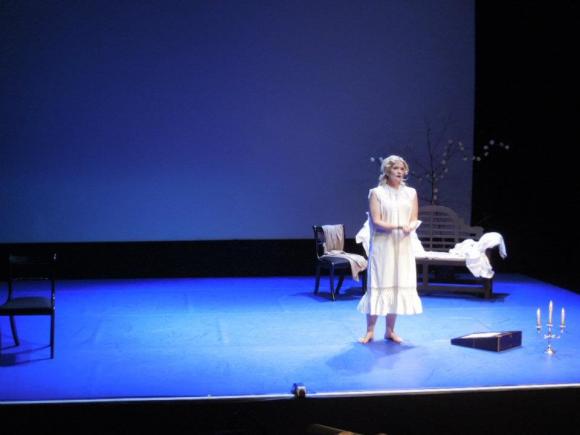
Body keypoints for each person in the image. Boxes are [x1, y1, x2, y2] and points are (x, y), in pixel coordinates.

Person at [357, 155, 423, 344]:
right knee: (379, 283)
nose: (400, 172)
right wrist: (399, 226)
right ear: (387, 171)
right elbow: (377, 221)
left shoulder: (411, 193)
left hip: (402, 245)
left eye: (402, 169)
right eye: (396, 168)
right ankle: (370, 331)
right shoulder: (377, 193)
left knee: (396, 283)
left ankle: (390, 331)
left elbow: (414, 218)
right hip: (383, 245)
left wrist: (410, 226)